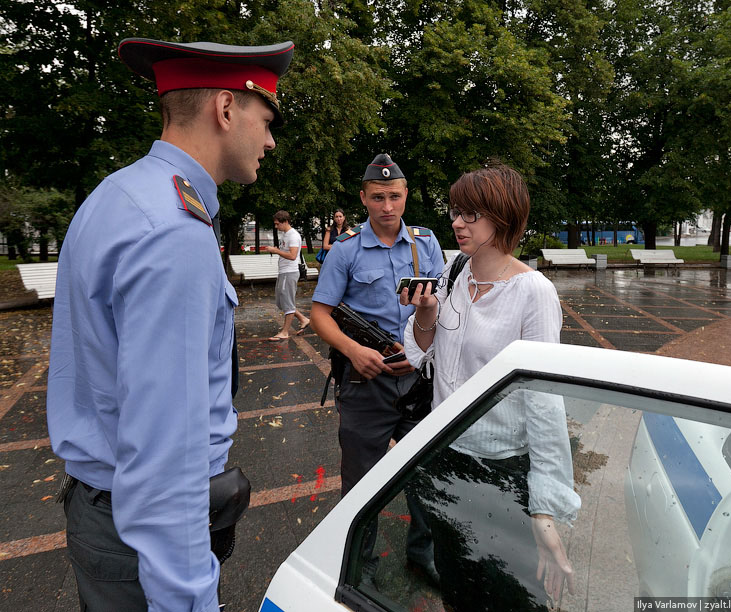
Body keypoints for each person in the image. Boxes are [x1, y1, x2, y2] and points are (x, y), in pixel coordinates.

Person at [46, 37, 294, 611]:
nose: (271, 139)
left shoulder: (119, 195)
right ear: (226, 110)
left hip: (105, 517)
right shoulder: (174, 231)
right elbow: (165, 460)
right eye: (266, 118)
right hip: (141, 541)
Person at [402, 163, 580, 610]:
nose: (458, 223)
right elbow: (423, 354)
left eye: (471, 214)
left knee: (508, 595)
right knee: (458, 586)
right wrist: (425, 314)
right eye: (456, 212)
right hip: (446, 459)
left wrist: (543, 509)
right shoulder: (455, 272)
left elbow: (544, 400)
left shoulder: (532, 292)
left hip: (501, 473)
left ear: (502, 218)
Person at [309, 153, 444, 585]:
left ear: (406, 196)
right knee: (361, 482)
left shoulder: (426, 244)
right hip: (365, 380)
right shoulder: (347, 249)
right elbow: (320, 314)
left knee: (427, 472)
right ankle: (358, 568)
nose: (387, 206)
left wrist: (421, 350)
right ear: (364, 198)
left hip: (417, 378)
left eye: (395, 196)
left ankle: (423, 555)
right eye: (378, 197)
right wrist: (352, 351)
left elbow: (442, 306)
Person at [264, 209, 310, 341]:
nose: (276, 226)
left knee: (287, 303)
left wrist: (276, 250)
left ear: (285, 222)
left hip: (289, 272)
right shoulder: (286, 234)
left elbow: (292, 256)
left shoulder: (293, 235)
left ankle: (285, 332)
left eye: (278, 224)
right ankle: (303, 318)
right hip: (284, 272)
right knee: (281, 302)